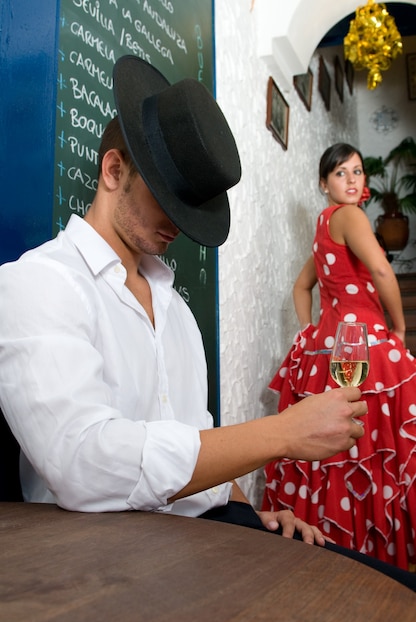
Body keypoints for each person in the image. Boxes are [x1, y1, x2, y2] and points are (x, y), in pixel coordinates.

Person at [0, 58, 414, 591]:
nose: (179, 222)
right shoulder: (39, 283)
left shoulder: (177, 310)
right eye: (166, 199)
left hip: (210, 528)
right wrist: (282, 433)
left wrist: (251, 512)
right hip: (104, 558)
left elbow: (196, 443)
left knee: (388, 586)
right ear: (112, 171)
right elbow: (81, 462)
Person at [262, 142, 416, 573]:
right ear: (323, 184)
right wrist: (400, 328)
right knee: (374, 446)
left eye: (356, 172)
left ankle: (337, 546)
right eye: (340, 173)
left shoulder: (324, 225)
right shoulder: (350, 216)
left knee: (337, 451)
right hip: (364, 345)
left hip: (328, 347)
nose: (351, 180)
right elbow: (383, 270)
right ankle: (375, 548)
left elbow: (301, 287)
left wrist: (310, 329)